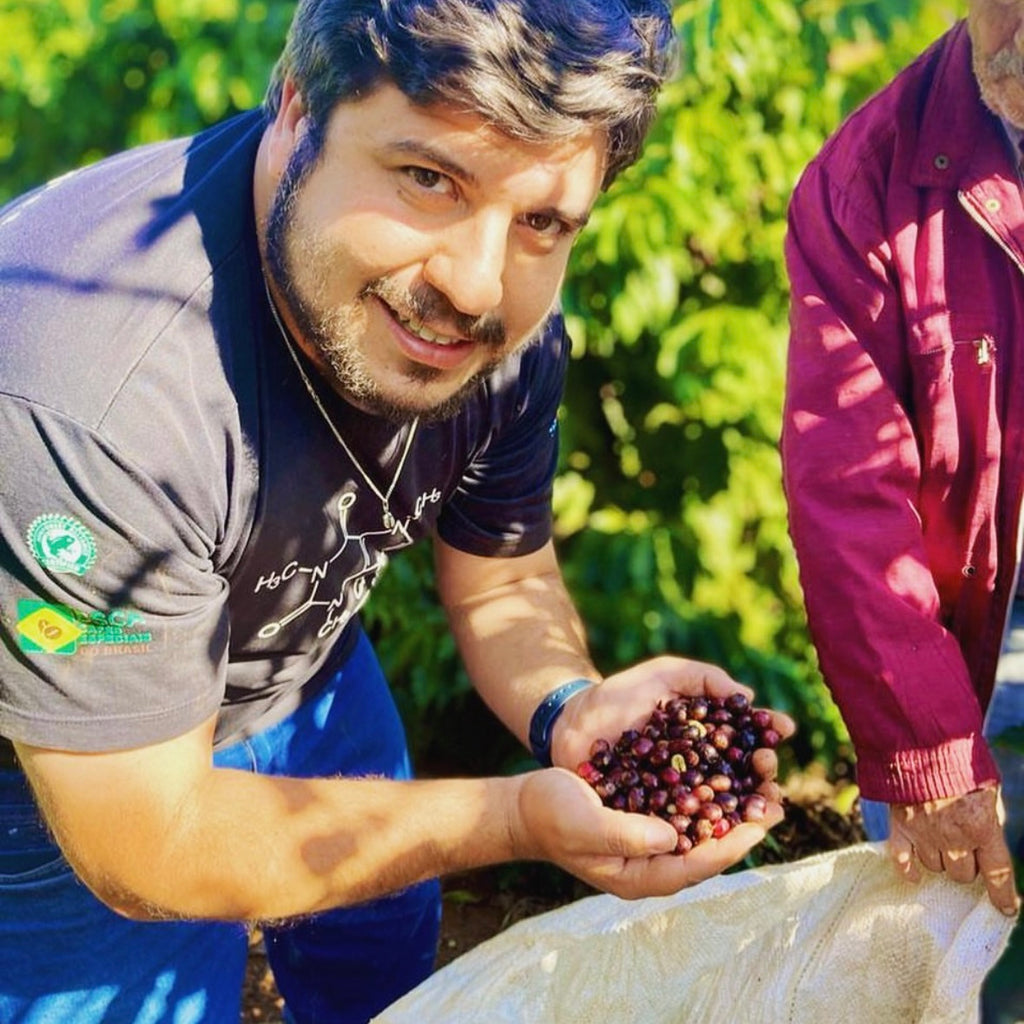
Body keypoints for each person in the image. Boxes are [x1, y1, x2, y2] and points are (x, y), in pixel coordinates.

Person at [0, 2, 793, 1022]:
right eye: (429, 179)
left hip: (300, 662)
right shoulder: (87, 391)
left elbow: (503, 571)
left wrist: (569, 710)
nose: (472, 285)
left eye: (541, 220)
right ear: (294, 105)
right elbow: (148, 838)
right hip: (58, 759)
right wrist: (512, 815)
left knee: (382, 954)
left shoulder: (505, 328)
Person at [782, 0, 1024, 967]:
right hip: (970, 642)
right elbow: (849, 494)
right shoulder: (864, 182)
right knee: (942, 953)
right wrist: (925, 749)